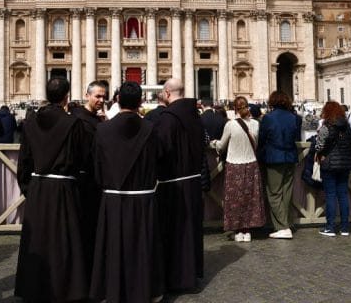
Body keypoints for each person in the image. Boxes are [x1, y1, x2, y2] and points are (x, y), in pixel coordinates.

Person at [15, 77, 90, 302]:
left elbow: (24, 160)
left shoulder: (30, 122)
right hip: (64, 186)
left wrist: (28, 187)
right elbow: (82, 159)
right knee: (64, 239)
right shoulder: (73, 124)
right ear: (67, 95)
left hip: (38, 187)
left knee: (36, 239)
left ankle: (33, 287)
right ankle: (66, 288)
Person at [90, 82, 164, 303]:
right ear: (141, 102)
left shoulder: (102, 129)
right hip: (143, 198)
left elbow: (96, 165)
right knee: (143, 246)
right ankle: (145, 290)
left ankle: (111, 289)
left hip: (112, 197)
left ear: (117, 100)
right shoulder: (150, 129)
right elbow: (158, 160)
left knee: (112, 246)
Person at [155, 78, 205, 291]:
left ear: (167, 93)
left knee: (176, 233)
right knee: (191, 231)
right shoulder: (195, 116)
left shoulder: (168, 118)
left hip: (173, 184)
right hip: (193, 182)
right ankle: (191, 274)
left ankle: (177, 278)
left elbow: (160, 150)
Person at [210, 96, 266, 242]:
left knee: (235, 199)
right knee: (250, 198)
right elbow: (256, 144)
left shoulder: (231, 125)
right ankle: (247, 230)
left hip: (234, 165)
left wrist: (214, 143)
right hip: (251, 165)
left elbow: (221, 146)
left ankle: (237, 230)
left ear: (234, 109)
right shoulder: (255, 124)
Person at [71, 81, 107, 273]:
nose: (101, 100)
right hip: (85, 182)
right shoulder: (80, 120)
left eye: (103, 96)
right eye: (98, 96)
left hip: (95, 182)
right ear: (87, 95)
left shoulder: (95, 119)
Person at [258, 91, 298, 239]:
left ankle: (282, 226)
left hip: (274, 158)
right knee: (286, 192)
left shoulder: (268, 118)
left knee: (274, 193)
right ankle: (286, 223)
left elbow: (261, 139)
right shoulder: (293, 118)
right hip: (290, 157)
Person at [315, 101, 351, 237]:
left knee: (331, 195)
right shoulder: (347, 126)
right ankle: (345, 227)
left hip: (329, 163)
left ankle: (330, 227)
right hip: (345, 164)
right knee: (343, 195)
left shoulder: (327, 126)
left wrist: (320, 153)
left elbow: (319, 146)